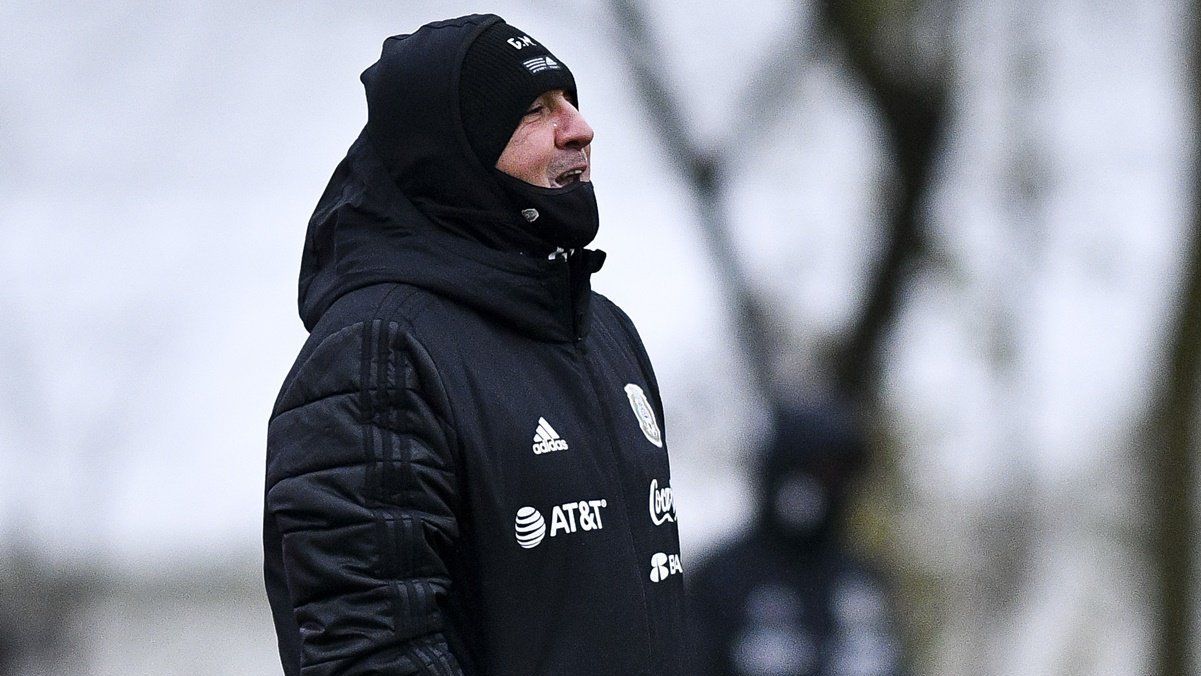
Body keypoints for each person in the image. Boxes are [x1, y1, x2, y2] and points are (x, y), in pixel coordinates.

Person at [262, 13, 687, 676]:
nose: (579, 128)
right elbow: (371, 653)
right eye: (534, 110)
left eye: (569, 101)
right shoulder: (377, 354)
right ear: (450, 154)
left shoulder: (605, 332)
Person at [688, 401, 904, 676]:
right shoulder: (721, 580)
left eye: (841, 473)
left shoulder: (861, 581)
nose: (833, 486)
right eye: (821, 471)